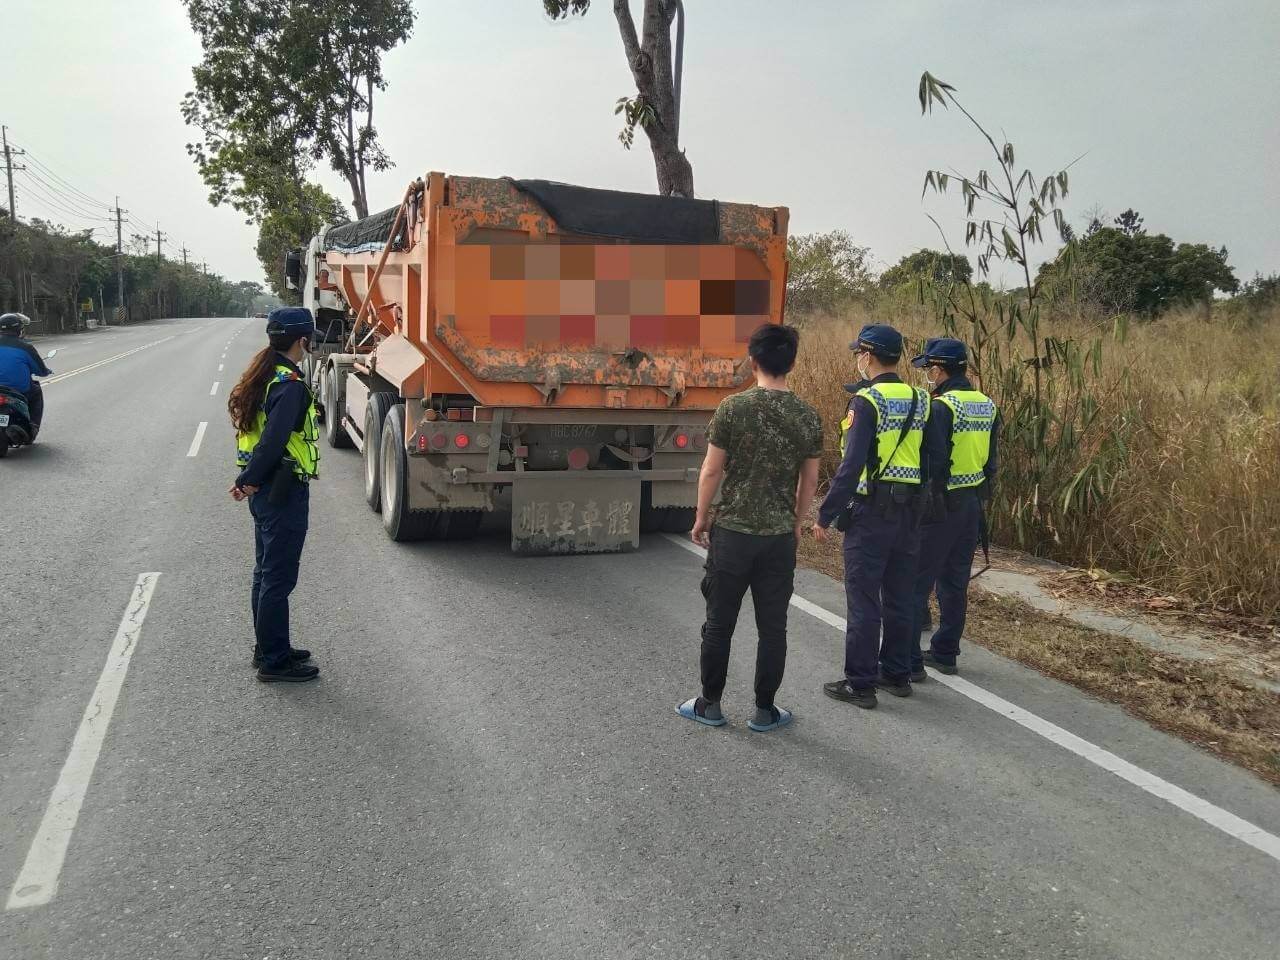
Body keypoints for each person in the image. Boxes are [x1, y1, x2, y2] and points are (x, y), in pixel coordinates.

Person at [678, 323, 822, 732]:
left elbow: (711, 470)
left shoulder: (732, 408)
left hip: (734, 534)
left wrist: (702, 516)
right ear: (791, 363)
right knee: (772, 629)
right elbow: (809, 482)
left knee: (719, 623)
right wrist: (795, 524)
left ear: (753, 361)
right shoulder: (807, 416)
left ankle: (710, 704)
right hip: (777, 538)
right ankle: (764, 710)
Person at [814, 323, 930, 709]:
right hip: (910, 511)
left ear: (868, 356)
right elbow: (930, 459)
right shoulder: (921, 399)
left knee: (864, 599)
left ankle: (860, 683)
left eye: (858, 354)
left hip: (872, 512)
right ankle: (896, 674)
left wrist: (825, 514)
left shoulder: (867, 401)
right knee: (899, 597)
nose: (857, 360)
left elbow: (852, 465)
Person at [228, 308, 322, 683]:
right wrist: (249, 479)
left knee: (265, 573)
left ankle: (268, 647)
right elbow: (273, 441)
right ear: (304, 341)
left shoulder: (265, 375)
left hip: (265, 489)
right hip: (280, 489)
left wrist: (247, 480)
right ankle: (274, 661)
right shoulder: (289, 384)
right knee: (277, 579)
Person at [909, 338, 998, 677]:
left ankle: (910, 661)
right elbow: (992, 463)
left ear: (938, 369)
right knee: (954, 582)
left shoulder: (941, 407)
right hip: (972, 503)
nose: (927, 375)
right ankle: (946, 652)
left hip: (941, 505)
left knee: (916, 580)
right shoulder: (987, 405)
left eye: (928, 369)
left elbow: (933, 461)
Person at [0, 312, 51, 437]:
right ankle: (33, 427)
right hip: (20, 390)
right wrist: (46, 371)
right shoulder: (26, 347)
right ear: (19, 329)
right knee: (36, 391)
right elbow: (40, 370)